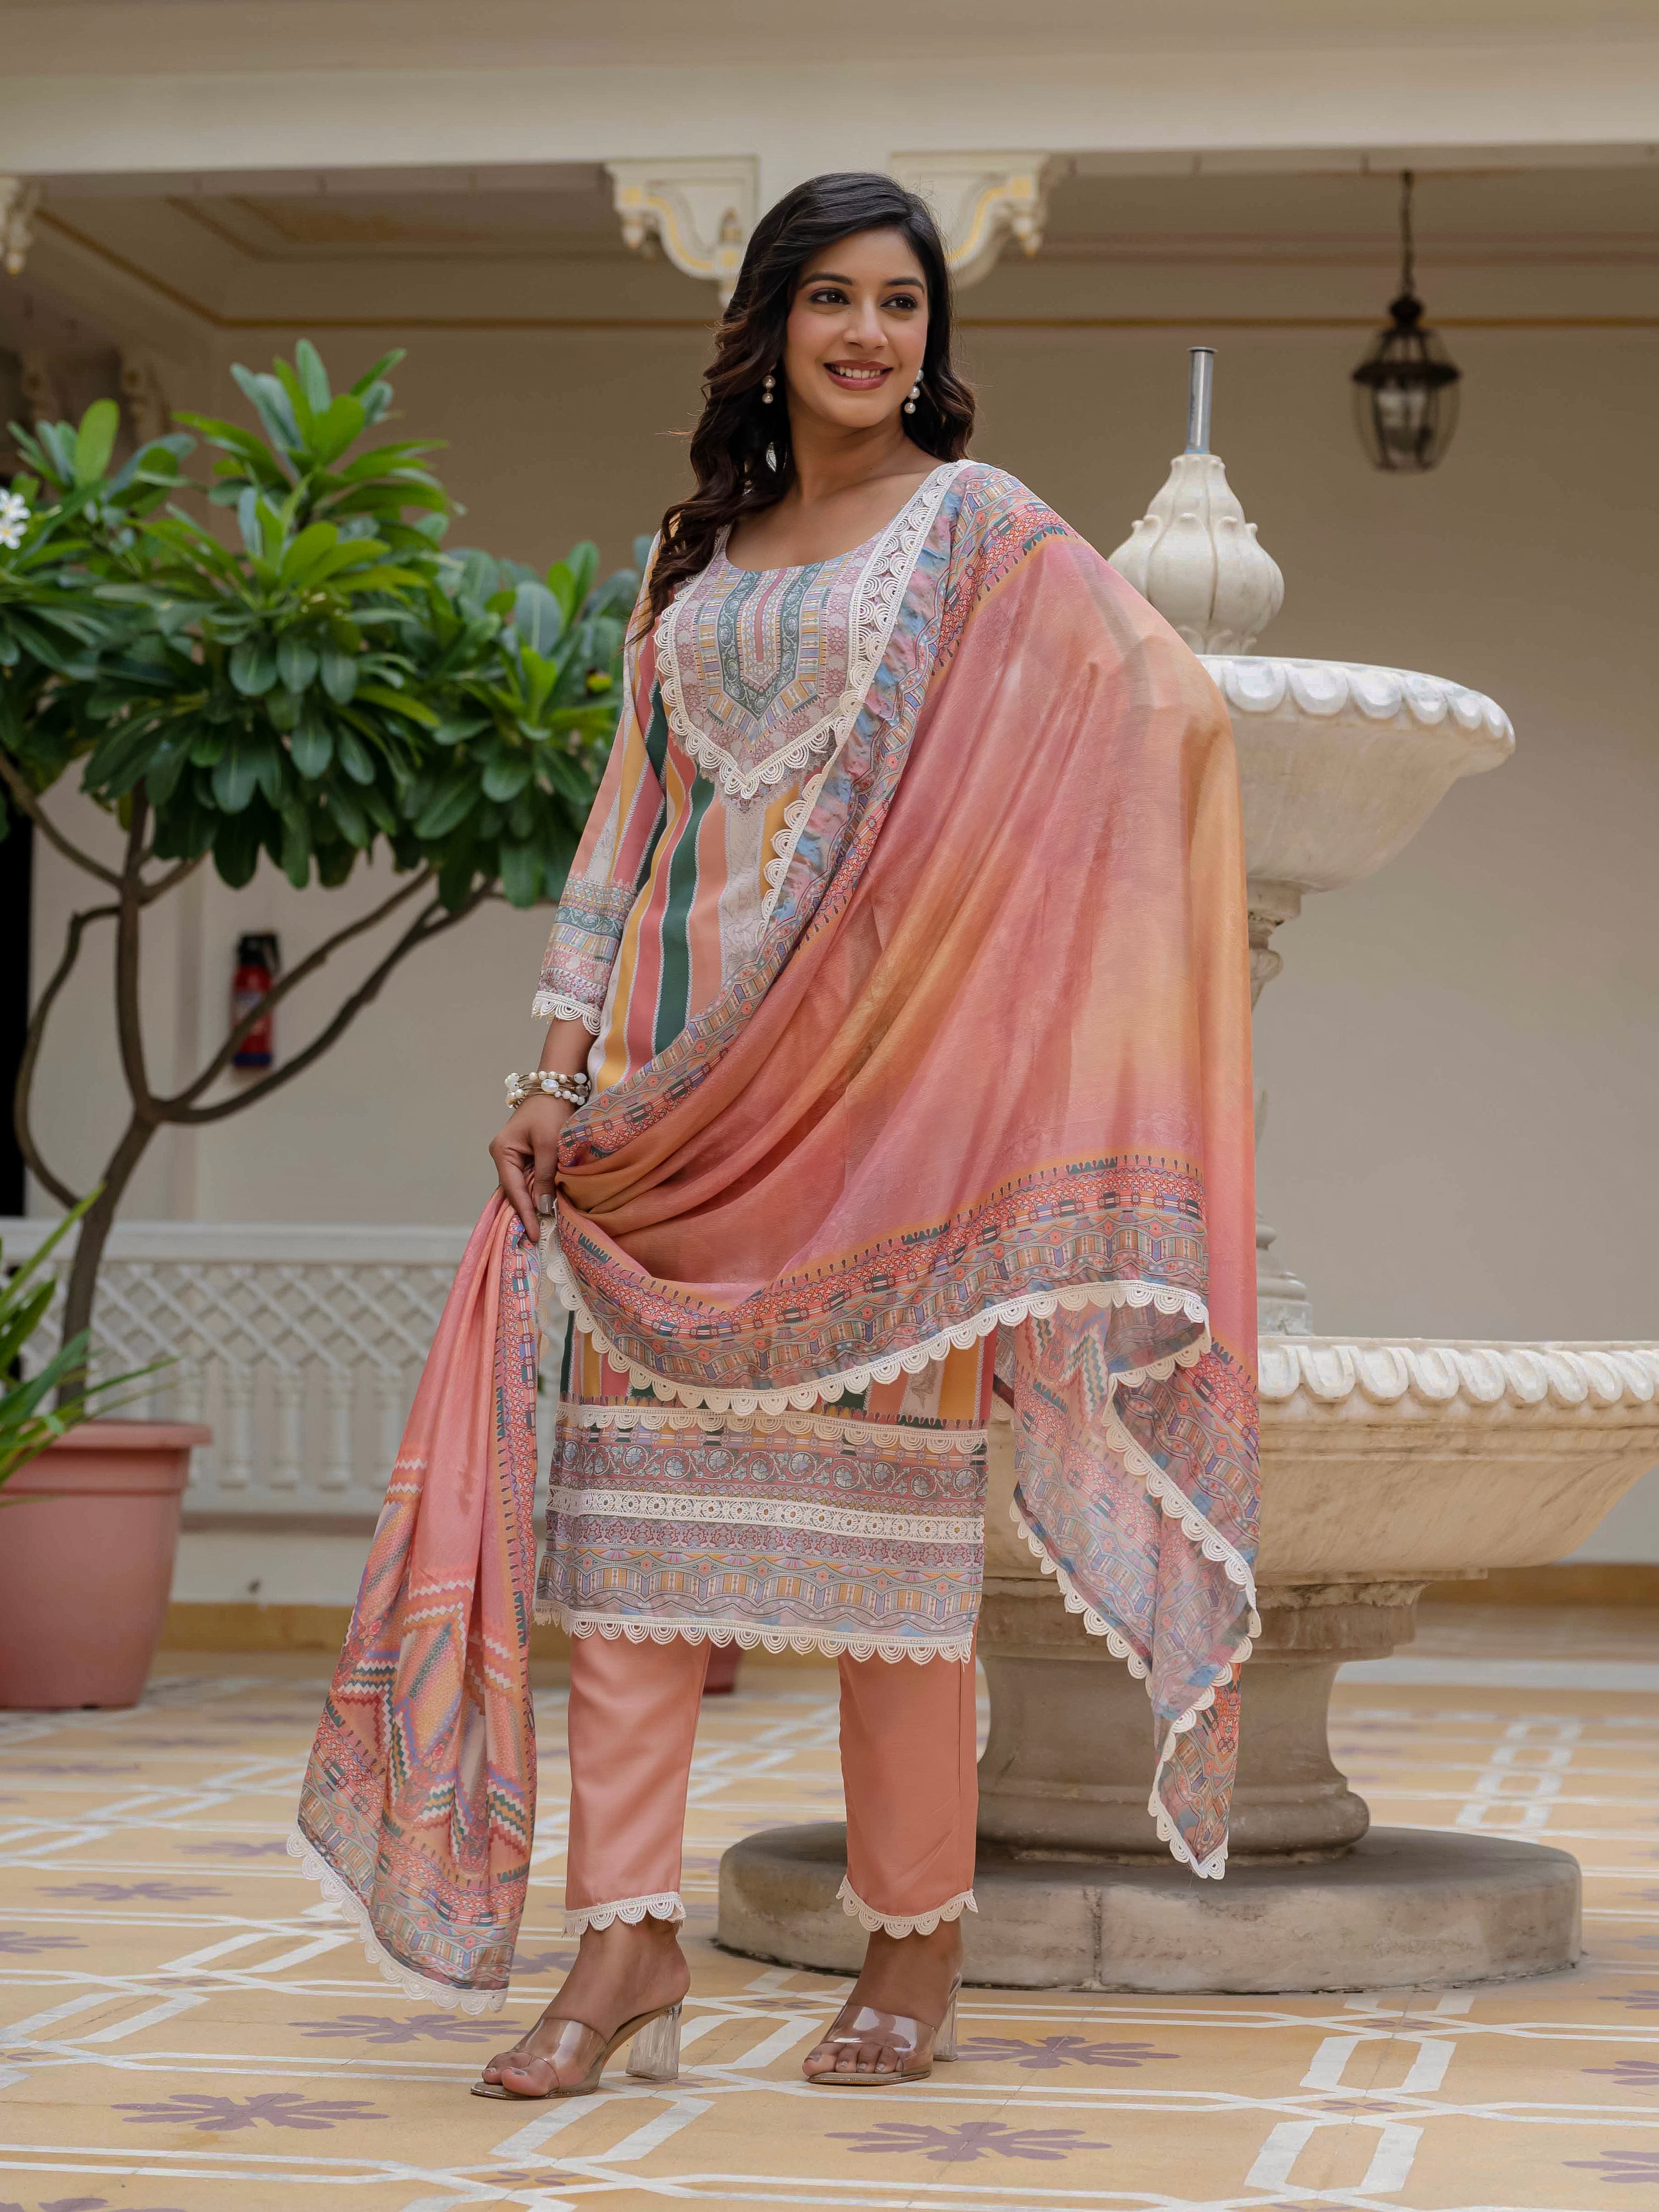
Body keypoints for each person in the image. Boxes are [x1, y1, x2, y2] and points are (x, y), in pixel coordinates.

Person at [294, 170, 1258, 2101]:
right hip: (668, 1122)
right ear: (769, 322)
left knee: (885, 1583)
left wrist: (973, 987)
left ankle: (916, 1949)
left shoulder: (978, 538)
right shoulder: (701, 563)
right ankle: (624, 1941)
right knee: (631, 1565)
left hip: (876, 1129)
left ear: (933, 339)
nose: (870, 336)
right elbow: (624, 837)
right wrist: (554, 1072)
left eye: (903, 303)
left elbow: (1152, 704)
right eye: (832, 298)